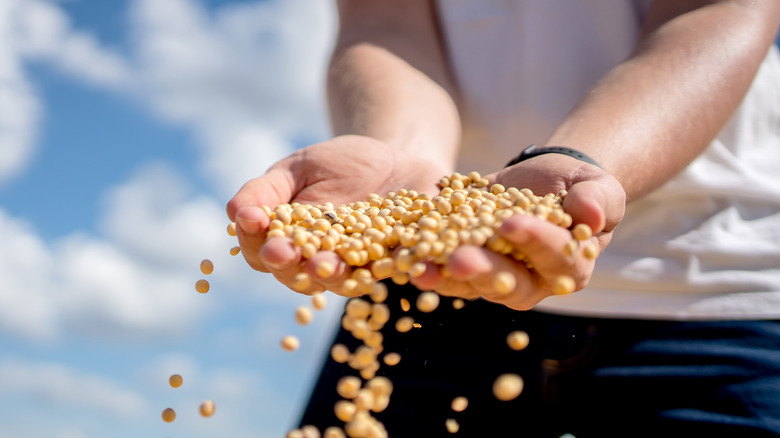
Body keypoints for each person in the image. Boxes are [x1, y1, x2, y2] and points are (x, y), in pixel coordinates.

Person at [227, 1, 780, 436]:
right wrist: (404, 156)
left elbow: (718, 9)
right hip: (428, 279)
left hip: (709, 286)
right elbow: (386, 22)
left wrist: (581, 164)